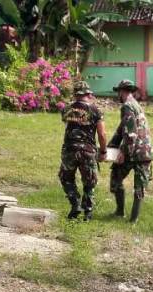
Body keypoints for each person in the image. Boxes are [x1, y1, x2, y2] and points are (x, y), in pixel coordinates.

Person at [59, 81, 107, 221]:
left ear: (75, 94)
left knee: (66, 178)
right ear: (89, 94)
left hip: (69, 149)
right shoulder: (96, 111)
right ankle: (88, 212)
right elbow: (102, 134)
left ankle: (75, 203)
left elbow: (67, 121)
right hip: (87, 150)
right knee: (89, 181)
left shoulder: (66, 109)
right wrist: (103, 151)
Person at [108, 80, 153, 223]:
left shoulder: (127, 106)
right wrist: (109, 148)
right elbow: (121, 129)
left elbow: (130, 133)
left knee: (116, 176)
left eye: (119, 92)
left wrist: (122, 152)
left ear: (122, 91)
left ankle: (120, 212)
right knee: (140, 187)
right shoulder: (136, 105)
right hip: (146, 152)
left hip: (133, 151)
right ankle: (134, 220)